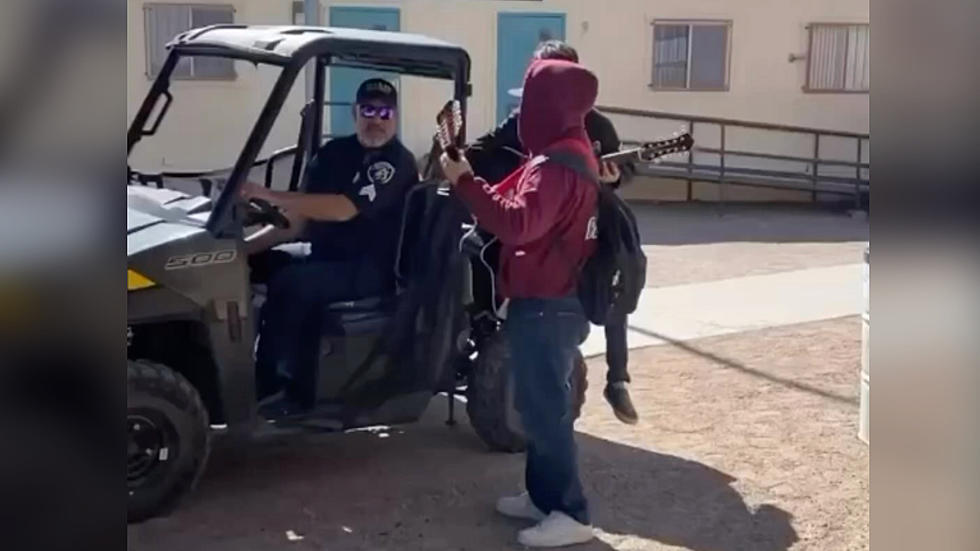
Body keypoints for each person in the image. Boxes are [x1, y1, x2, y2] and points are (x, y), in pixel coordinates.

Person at [441, 58, 599, 548]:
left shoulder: (558, 164)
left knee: (547, 409)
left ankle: (570, 511)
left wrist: (466, 182)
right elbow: (509, 201)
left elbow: (516, 224)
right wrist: (467, 177)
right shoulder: (560, 153)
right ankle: (541, 496)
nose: (521, 111)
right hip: (543, 298)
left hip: (551, 303)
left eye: (528, 101)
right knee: (533, 406)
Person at [466, 40, 639, 425]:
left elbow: (623, 169)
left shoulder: (597, 126)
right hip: (542, 227)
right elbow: (486, 148)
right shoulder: (525, 119)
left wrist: (614, 177)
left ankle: (618, 377)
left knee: (614, 280)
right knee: (477, 246)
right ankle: (490, 323)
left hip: (588, 228)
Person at [242, 78, 419, 416]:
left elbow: (343, 208)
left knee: (292, 284)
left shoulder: (395, 162)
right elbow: (296, 221)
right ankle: (232, 366)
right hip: (325, 255)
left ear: (395, 117)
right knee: (252, 265)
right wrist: (242, 251)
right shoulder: (334, 154)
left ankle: (275, 383)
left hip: (370, 267)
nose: (376, 119)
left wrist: (266, 194)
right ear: (354, 112)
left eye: (385, 112)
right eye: (368, 109)